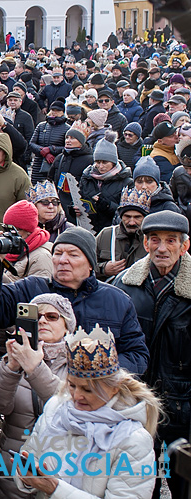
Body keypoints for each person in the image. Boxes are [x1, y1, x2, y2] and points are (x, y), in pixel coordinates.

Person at [0, 226, 149, 374]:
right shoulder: (31, 288)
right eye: (58, 253)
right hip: (32, 391)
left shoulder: (117, 301)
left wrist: (101, 373)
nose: (62, 260)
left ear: (90, 264)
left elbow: (137, 355)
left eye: (73, 255)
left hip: (94, 397)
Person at [16, 325, 158, 499]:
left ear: (115, 388)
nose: (76, 396)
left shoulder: (134, 440)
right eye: (72, 385)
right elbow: (30, 462)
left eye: (88, 390)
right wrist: (27, 476)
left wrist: (55, 489)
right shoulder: (56, 409)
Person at [113, 210, 191, 491]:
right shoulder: (124, 284)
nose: (162, 248)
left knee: (183, 481)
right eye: (154, 240)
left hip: (183, 406)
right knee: (140, 481)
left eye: (171, 241)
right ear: (145, 244)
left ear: (184, 246)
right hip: (136, 400)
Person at [0, 294, 74, 499]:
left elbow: (70, 409)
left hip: (60, 469)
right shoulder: (14, 358)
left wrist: (35, 367)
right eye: (36, 316)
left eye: (52, 316)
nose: (42, 320)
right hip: (12, 469)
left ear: (67, 326)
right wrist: (11, 369)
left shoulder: (79, 362)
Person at [79, 137, 133, 233]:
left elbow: (128, 212)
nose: (100, 166)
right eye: (98, 162)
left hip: (111, 232)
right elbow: (80, 197)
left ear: (113, 162)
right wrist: (75, 209)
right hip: (88, 229)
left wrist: (107, 205)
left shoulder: (126, 182)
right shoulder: (87, 178)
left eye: (104, 162)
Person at [95, 186, 150, 280]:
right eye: (127, 217)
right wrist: (103, 269)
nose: (131, 222)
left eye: (137, 217)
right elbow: (83, 267)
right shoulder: (106, 234)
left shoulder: (151, 239)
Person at [47, 129, 95, 226]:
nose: (68, 140)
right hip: (60, 203)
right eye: (67, 138)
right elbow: (50, 178)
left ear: (81, 142)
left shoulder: (90, 160)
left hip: (78, 206)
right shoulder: (60, 157)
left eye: (72, 138)